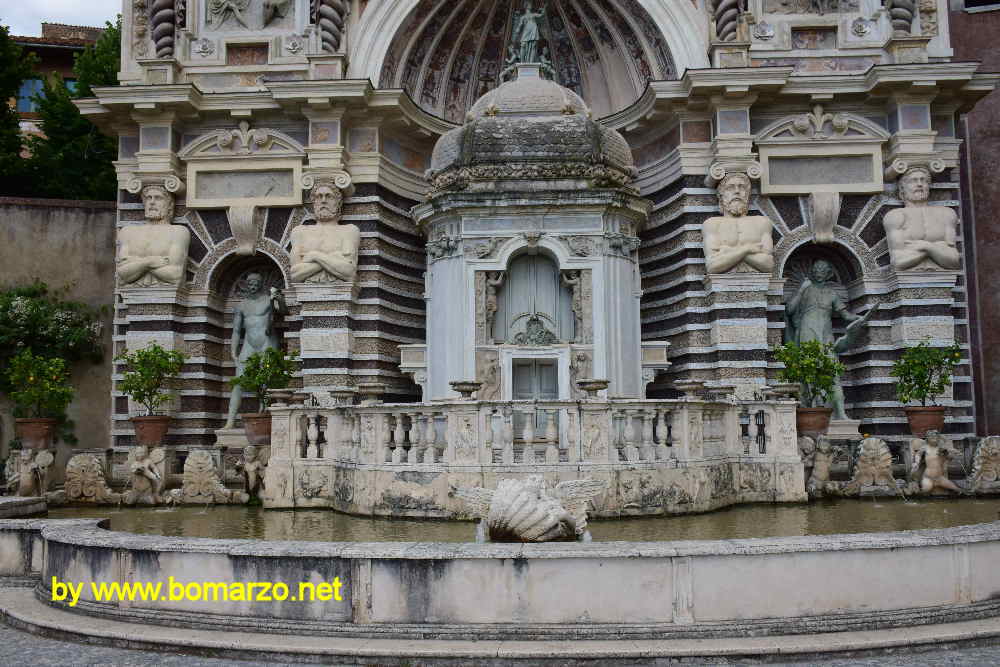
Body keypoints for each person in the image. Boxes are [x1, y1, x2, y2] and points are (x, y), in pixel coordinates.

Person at [224, 272, 287, 428]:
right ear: (246, 285)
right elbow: (237, 331)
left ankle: (263, 413)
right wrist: (233, 351)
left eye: (255, 284)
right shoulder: (241, 305)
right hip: (249, 343)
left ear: (260, 285)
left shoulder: (268, 300)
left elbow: (283, 311)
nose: (252, 287)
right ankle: (230, 421)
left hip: (267, 341)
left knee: (265, 379)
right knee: (238, 381)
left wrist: (278, 299)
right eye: (250, 284)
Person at [883, 167, 961, 271]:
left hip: (943, 279)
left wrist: (927, 247)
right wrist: (938, 248)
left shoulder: (946, 214)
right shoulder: (896, 216)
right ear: (902, 188)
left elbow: (954, 261)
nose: (919, 184)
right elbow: (898, 262)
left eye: (923, 180)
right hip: (907, 280)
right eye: (913, 181)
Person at [117, 185, 190, 287]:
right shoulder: (127, 232)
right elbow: (122, 275)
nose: (152, 202)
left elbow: (175, 275)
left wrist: (136, 263)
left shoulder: (178, 232)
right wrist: (150, 262)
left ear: (169, 205)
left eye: (158, 198)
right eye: (148, 198)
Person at [702, 173, 774, 274]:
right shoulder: (712, 224)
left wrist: (728, 252)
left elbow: (768, 265)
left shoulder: (761, 223)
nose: (737, 191)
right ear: (721, 195)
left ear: (747, 195)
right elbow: (712, 266)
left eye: (742, 188)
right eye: (730, 188)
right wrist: (747, 249)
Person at [290, 183, 361, 283]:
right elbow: (295, 275)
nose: (323, 201)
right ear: (314, 203)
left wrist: (315, 256)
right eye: (319, 197)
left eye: (329, 196)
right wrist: (335, 259)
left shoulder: (349, 231)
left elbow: (349, 272)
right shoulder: (299, 232)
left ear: (338, 202)